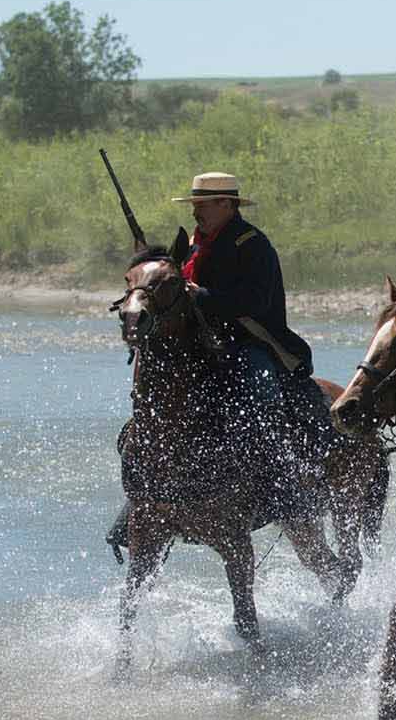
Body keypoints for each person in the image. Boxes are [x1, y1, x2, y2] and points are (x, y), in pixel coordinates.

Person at [106, 171, 331, 556]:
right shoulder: (195, 244)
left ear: (226, 205)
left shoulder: (253, 245)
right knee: (149, 413)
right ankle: (144, 497)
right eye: (194, 206)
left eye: (202, 205)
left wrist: (200, 295)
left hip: (249, 342)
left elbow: (252, 304)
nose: (196, 213)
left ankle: (285, 488)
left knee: (261, 399)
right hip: (203, 346)